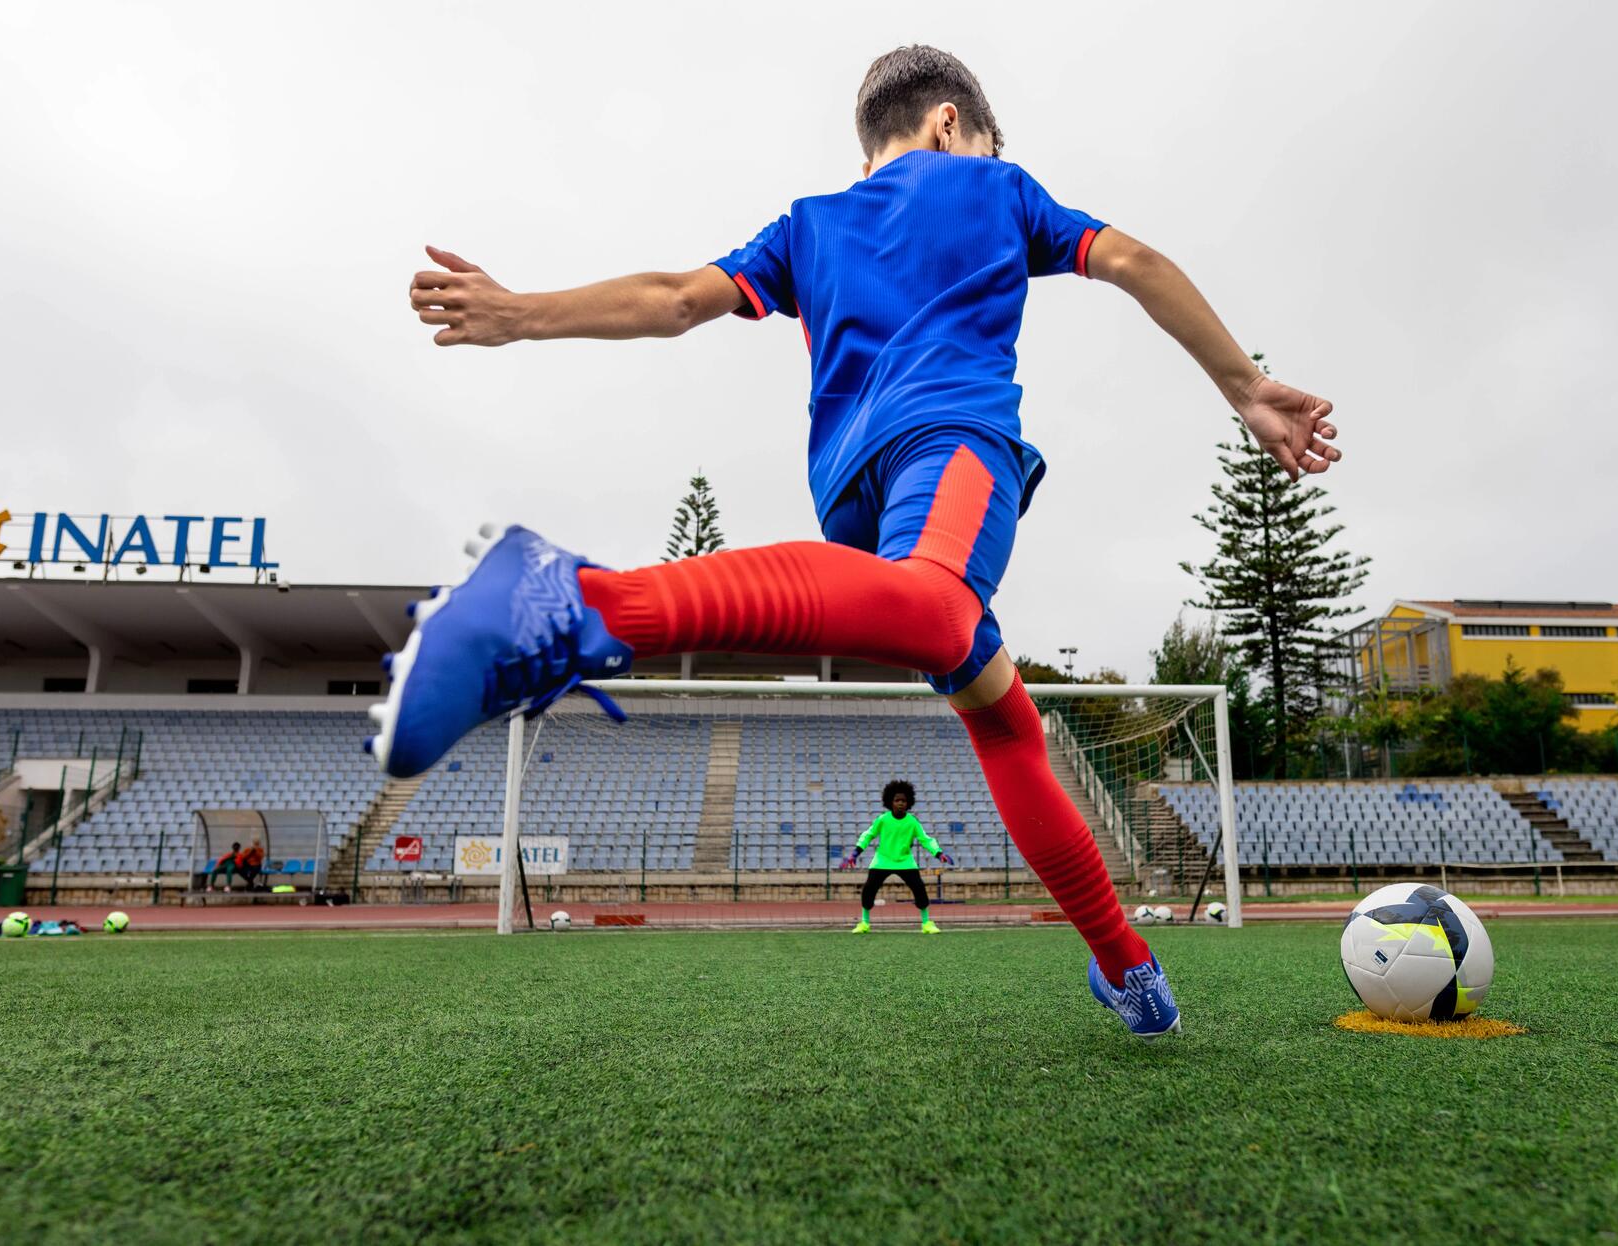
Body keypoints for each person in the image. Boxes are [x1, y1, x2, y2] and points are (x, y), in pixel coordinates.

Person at [378, 46, 1341, 1039]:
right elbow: (1132, 261)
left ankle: (1126, 965)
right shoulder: (994, 186)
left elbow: (674, 299)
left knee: (1004, 715)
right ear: (949, 125)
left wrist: (517, 314)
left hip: (854, 499)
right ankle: (576, 601)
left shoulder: (808, 225)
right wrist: (1246, 387)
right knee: (933, 606)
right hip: (951, 449)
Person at [846, 780, 953, 934]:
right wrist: (856, 852)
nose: (900, 803)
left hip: (905, 861)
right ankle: (864, 923)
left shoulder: (912, 822)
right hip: (882, 860)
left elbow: (926, 839)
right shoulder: (883, 819)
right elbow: (868, 835)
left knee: (919, 890)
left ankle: (926, 924)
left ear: (908, 803)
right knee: (869, 890)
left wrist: (939, 853)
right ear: (891, 802)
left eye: (903, 801)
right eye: (897, 800)